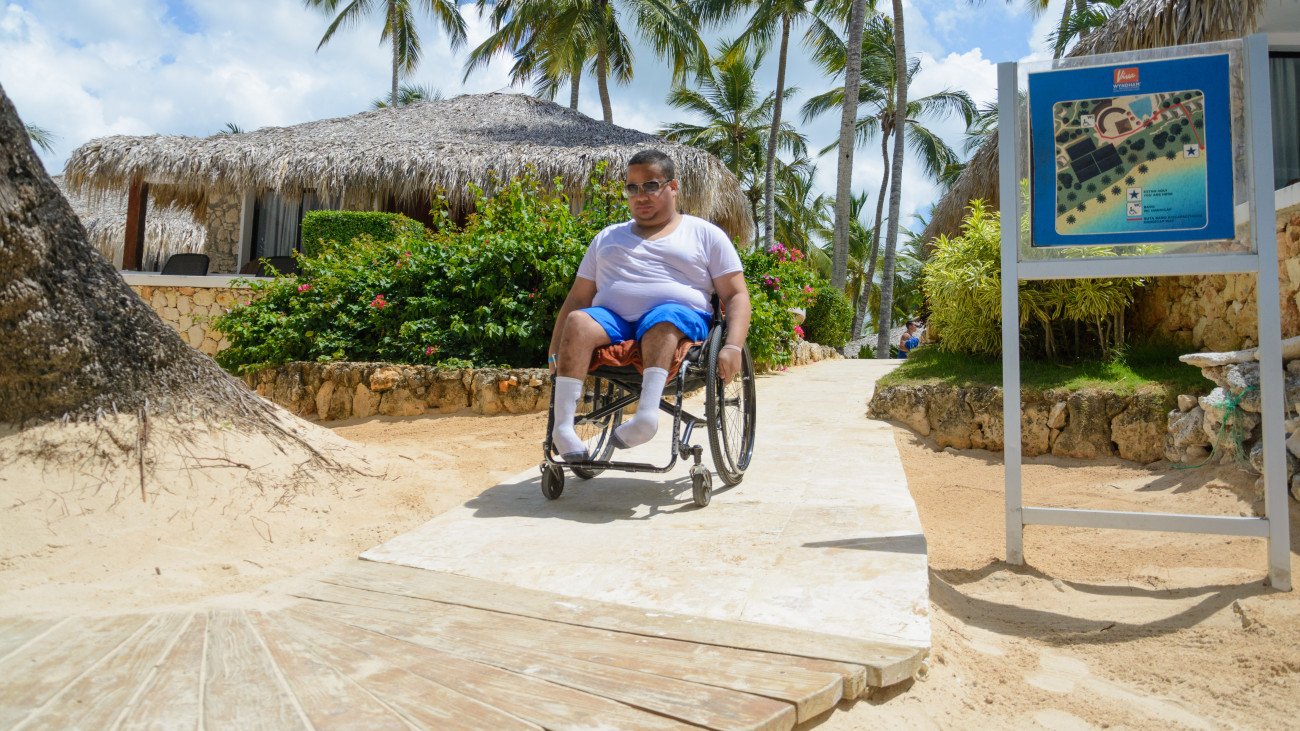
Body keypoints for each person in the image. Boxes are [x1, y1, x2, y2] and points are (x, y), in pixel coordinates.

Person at [546, 149, 751, 461]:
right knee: (578, 320)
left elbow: (736, 295)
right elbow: (577, 298)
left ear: (673, 187)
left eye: (651, 186)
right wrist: (553, 352)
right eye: (632, 188)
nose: (640, 196)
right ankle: (562, 429)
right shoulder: (607, 237)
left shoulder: (704, 234)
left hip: (677, 320)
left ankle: (645, 418)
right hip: (613, 321)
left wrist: (733, 346)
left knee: (662, 318)